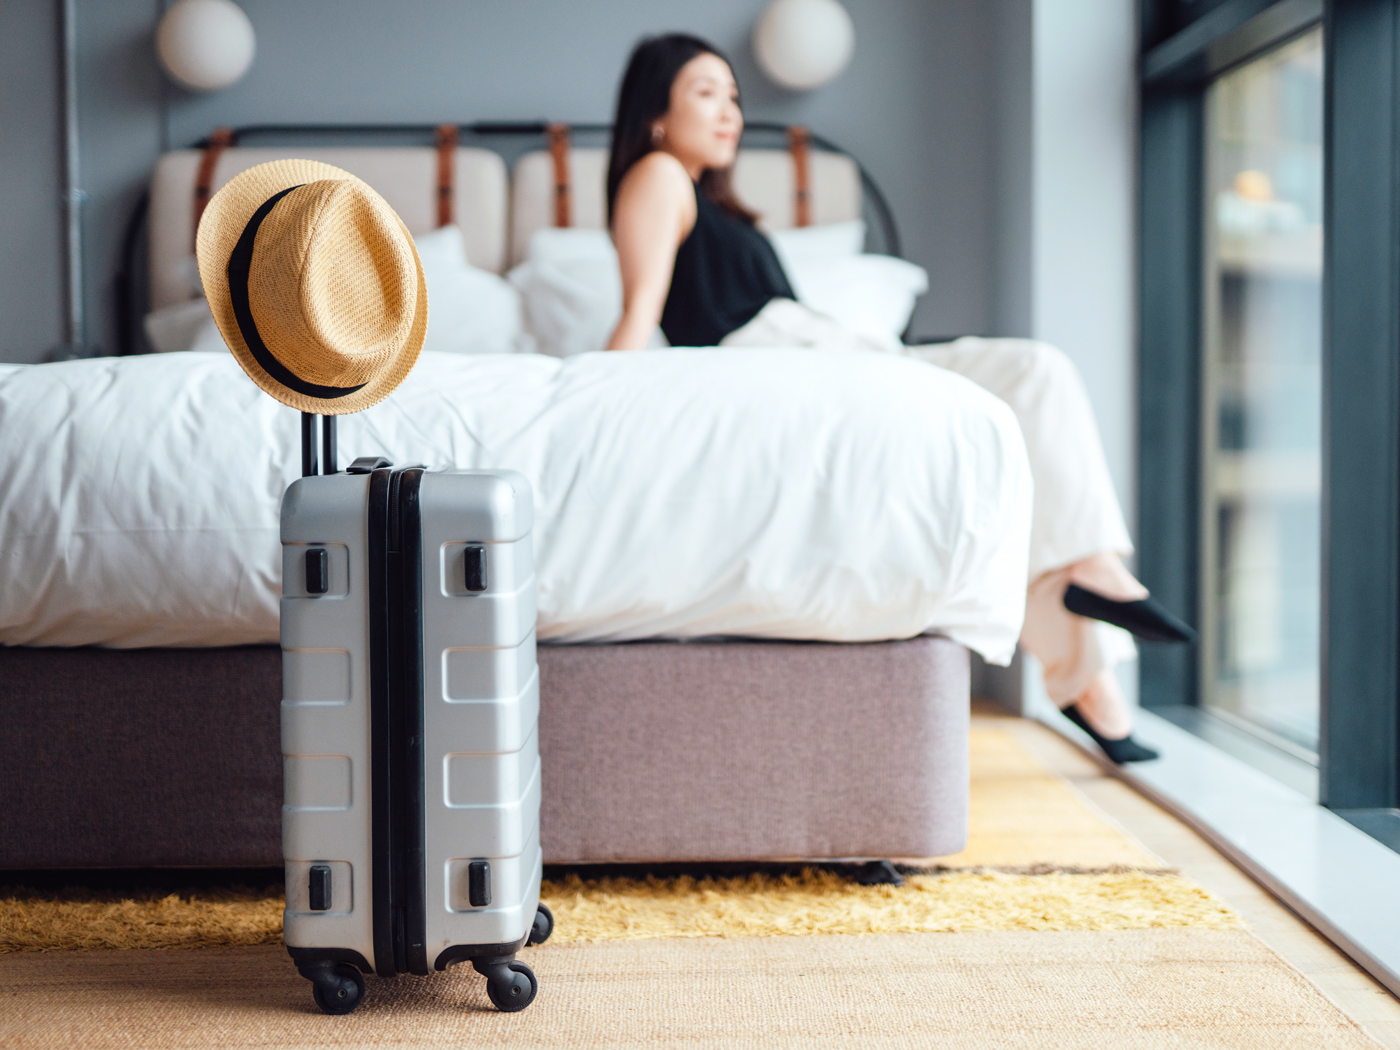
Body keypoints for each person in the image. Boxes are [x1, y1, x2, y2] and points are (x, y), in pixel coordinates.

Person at [603, 33, 1193, 763]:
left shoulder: (709, 197)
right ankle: (1088, 641)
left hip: (834, 357)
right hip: (791, 370)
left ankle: (1087, 610)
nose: (729, 111)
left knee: (1029, 399)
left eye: (733, 95)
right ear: (655, 112)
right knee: (1030, 377)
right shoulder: (658, 175)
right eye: (705, 92)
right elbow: (639, 313)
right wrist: (601, 419)